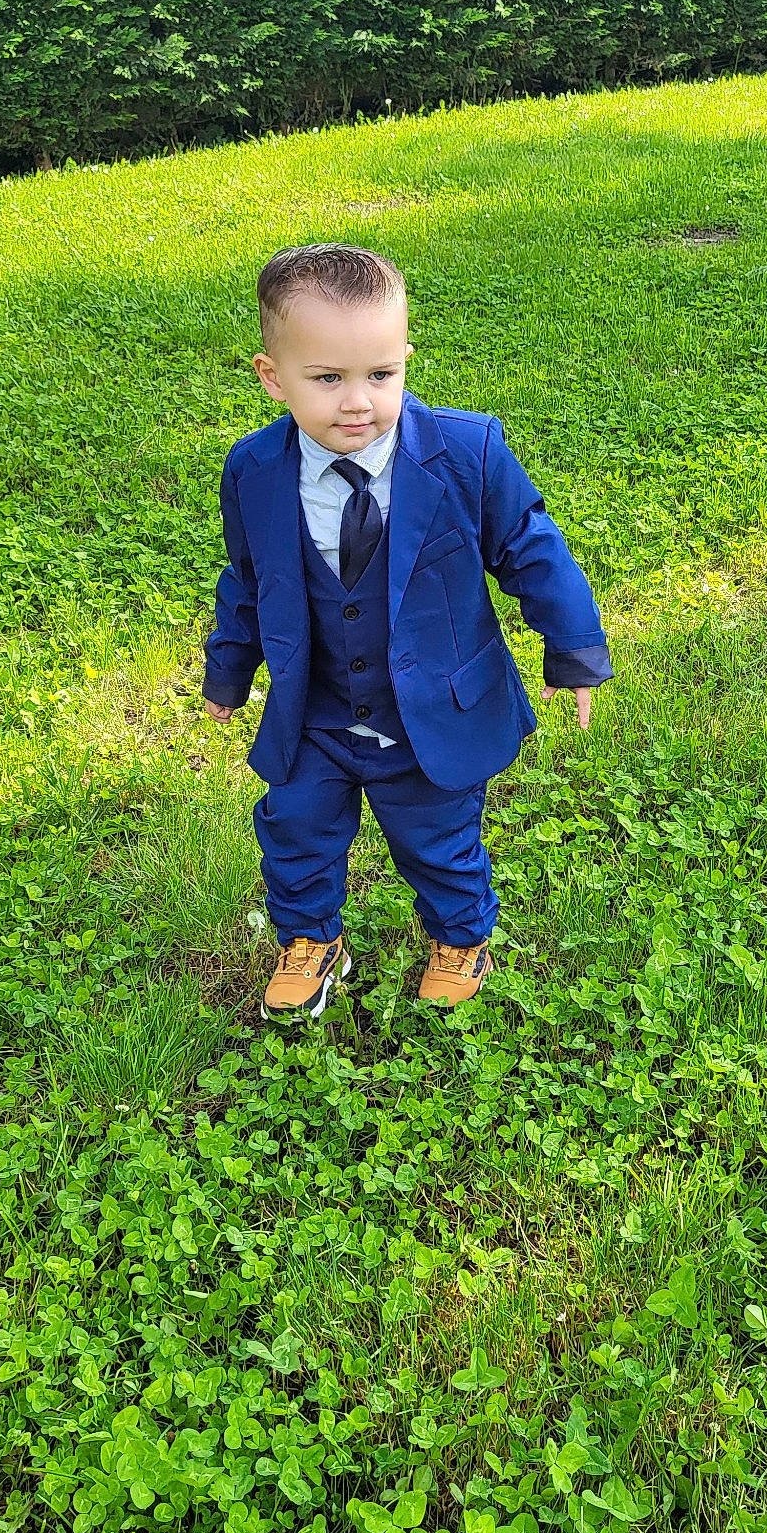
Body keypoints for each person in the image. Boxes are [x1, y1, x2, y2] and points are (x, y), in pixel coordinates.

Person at [203, 243, 612, 1015]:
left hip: (429, 710)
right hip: (315, 710)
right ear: (271, 376)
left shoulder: (466, 450)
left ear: (404, 362)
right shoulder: (253, 469)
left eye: (380, 375)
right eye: (326, 378)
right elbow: (247, 579)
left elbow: (530, 546)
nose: (356, 400)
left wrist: (574, 649)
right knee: (294, 830)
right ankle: (311, 940)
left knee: (437, 840)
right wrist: (229, 670)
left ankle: (460, 938)